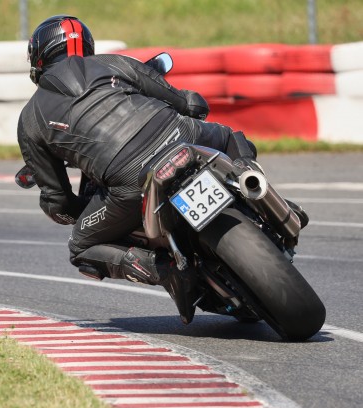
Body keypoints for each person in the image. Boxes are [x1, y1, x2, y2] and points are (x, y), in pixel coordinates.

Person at [17, 14, 294, 288]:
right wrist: (191, 104)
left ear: (38, 57)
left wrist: (79, 212)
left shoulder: (30, 119)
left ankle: (163, 270)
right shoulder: (113, 62)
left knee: (80, 245)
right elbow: (184, 101)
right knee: (230, 137)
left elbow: (58, 203)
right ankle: (256, 187)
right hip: (181, 136)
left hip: (129, 180)